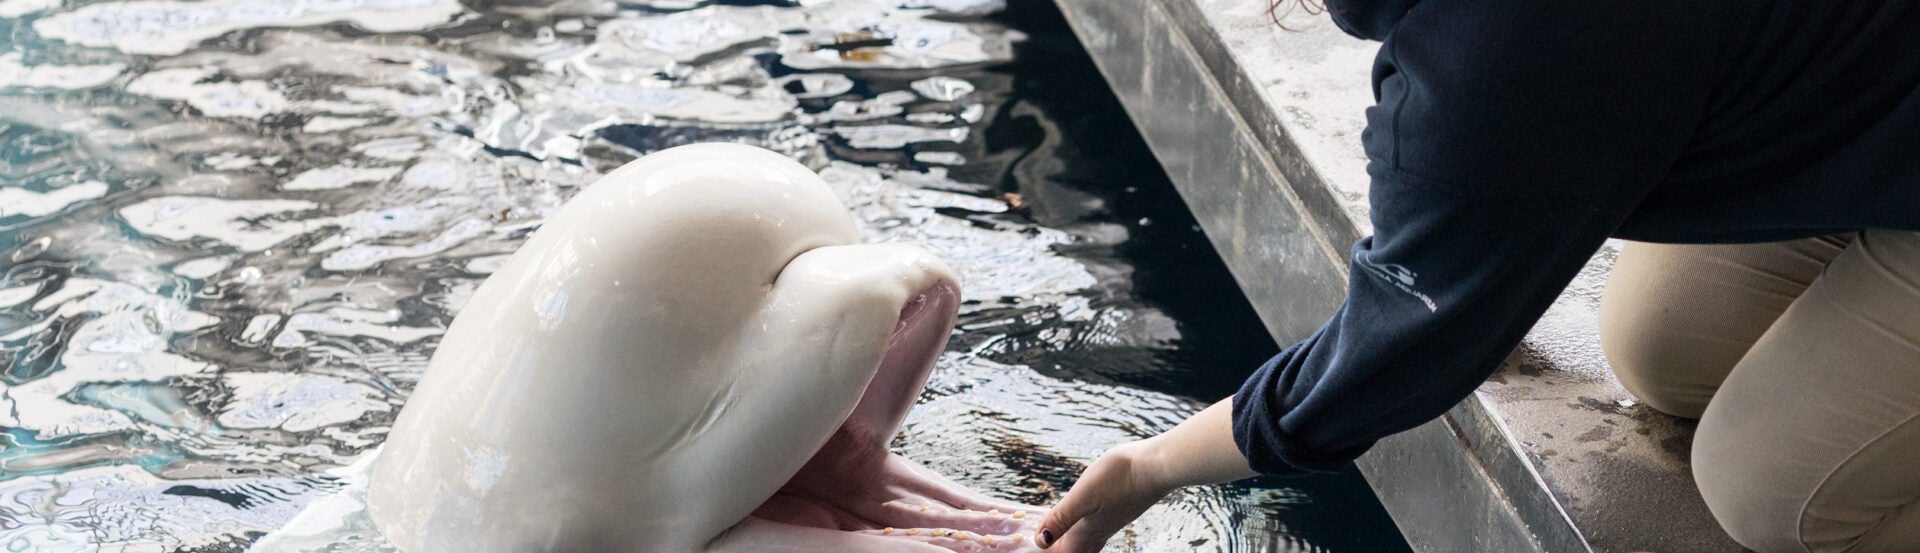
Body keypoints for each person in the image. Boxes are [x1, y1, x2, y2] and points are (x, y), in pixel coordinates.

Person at [1033, 0, 1920, 550]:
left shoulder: (1499, 61)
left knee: (1770, 490)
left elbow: (1389, 357)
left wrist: (1147, 465)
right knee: (1662, 348)